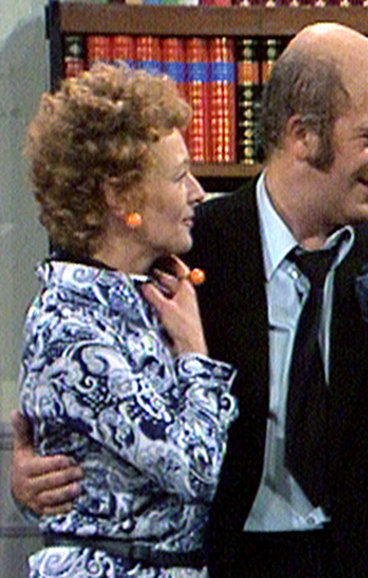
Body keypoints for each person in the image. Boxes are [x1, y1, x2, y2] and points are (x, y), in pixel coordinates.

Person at [13, 23, 368, 577]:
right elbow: (98, 399)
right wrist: (34, 477)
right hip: (227, 563)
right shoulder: (185, 254)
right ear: (303, 134)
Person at [16, 62, 238, 577]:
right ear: (119, 197)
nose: (198, 193)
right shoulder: (69, 326)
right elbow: (194, 469)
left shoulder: (157, 292)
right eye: (179, 177)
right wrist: (195, 356)